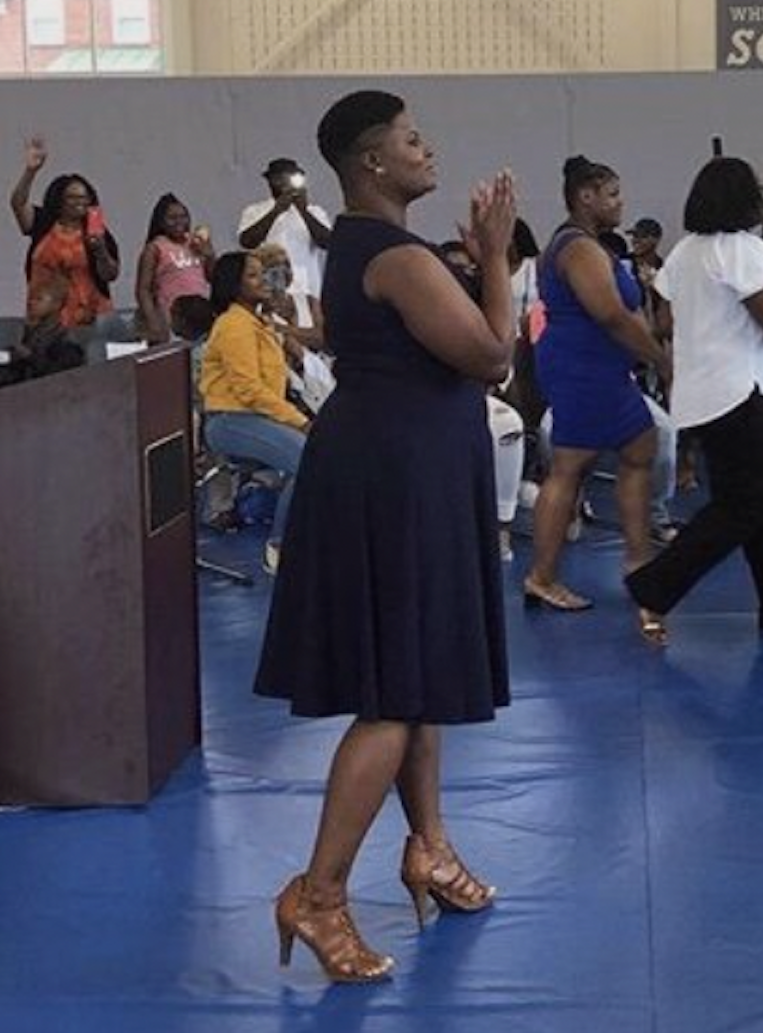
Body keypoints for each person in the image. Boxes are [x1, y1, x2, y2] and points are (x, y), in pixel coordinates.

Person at [255, 90, 513, 985]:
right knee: (395, 696)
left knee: (418, 677)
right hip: (397, 479)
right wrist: (494, 257)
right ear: (372, 163)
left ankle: (430, 849)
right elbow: (491, 354)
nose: (426, 148)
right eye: (410, 140)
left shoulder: (363, 247)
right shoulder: (396, 255)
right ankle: (319, 895)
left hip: (406, 468)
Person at [623, 157, 763, 647]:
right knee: (745, 505)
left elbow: (666, 321)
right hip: (748, 392)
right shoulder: (748, 252)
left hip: (702, 396)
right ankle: (655, 587)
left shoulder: (682, 254)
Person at [524, 155, 669, 613]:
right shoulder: (579, 249)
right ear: (585, 197)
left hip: (596, 367)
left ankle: (637, 556)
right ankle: (543, 576)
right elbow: (609, 314)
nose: (620, 202)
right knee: (571, 465)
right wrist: (661, 360)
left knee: (639, 446)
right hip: (584, 367)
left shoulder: (588, 245)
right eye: (612, 194)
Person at [200, 251, 310, 575]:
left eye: (262, 273)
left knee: (316, 457)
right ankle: (279, 547)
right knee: (307, 458)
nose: (263, 280)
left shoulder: (259, 322)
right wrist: (298, 421)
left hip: (256, 417)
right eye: (252, 275)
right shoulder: (234, 325)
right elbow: (248, 390)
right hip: (230, 420)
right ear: (233, 286)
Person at [8, 137, 119, 328]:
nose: (80, 203)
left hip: (88, 315)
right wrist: (31, 171)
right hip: (46, 315)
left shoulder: (97, 231)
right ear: (59, 200)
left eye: (85, 198)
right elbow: (17, 204)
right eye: (73, 197)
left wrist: (100, 250)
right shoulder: (43, 222)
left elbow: (110, 274)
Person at [239, 157, 333, 299]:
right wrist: (276, 211)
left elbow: (327, 243)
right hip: (269, 289)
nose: (283, 182)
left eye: (289, 177)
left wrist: (304, 211)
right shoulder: (254, 211)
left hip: (308, 290)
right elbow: (247, 242)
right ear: (270, 181)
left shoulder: (315, 211)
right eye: (278, 177)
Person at [134, 192, 213, 343]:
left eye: (183, 216)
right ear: (161, 222)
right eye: (172, 218)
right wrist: (153, 320)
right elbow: (143, 289)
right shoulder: (155, 247)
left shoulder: (195, 242)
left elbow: (212, 276)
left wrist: (209, 254)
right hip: (172, 317)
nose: (179, 222)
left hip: (200, 315)